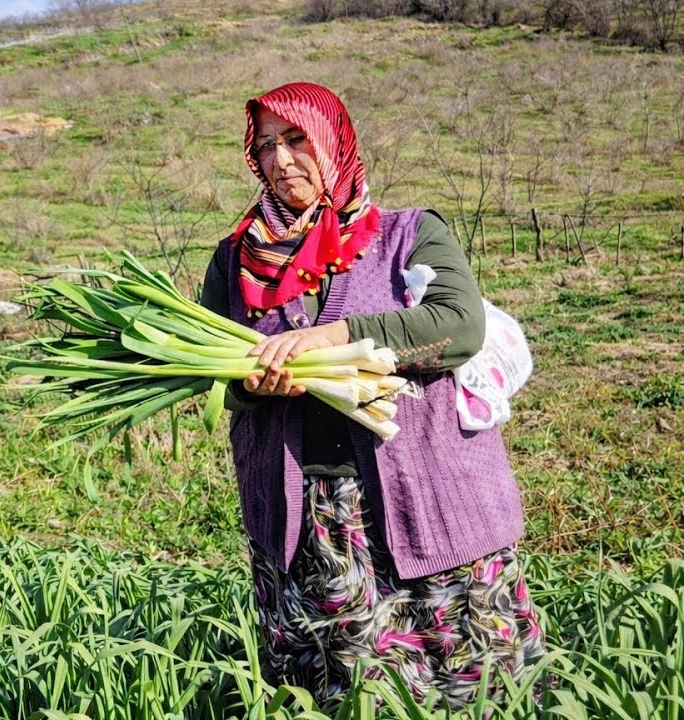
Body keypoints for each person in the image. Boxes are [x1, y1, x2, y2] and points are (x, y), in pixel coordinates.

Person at [199, 82, 545, 708]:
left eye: (298, 139)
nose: (281, 161)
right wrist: (249, 384)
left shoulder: (409, 234)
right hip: (309, 520)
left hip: (431, 498)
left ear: (335, 140)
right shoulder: (234, 262)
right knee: (345, 690)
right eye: (267, 145)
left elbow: (459, 325)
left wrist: (338, 335)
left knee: (474, 680)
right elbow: (212, 376)